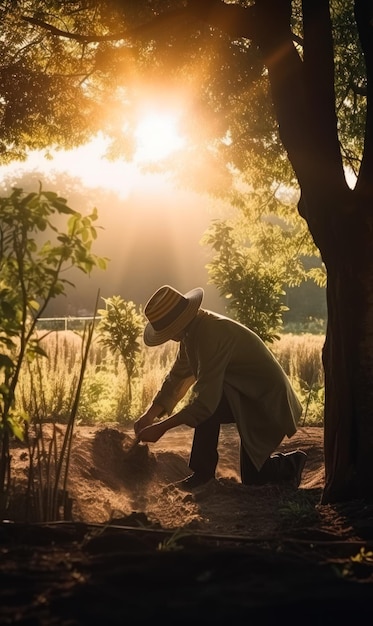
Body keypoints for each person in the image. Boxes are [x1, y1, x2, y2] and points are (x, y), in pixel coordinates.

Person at [134, 285, 307, 490]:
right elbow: (176, 379)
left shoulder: (210, 333)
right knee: (210, 411)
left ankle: (292, 463)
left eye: (168, 331)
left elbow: (205, 402)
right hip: (242, 396)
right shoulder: (191, 334)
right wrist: (149, 416)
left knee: (254, 477)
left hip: (265, 400)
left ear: (178, 323)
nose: (169, 337)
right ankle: (202, 474)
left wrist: (161, 428)